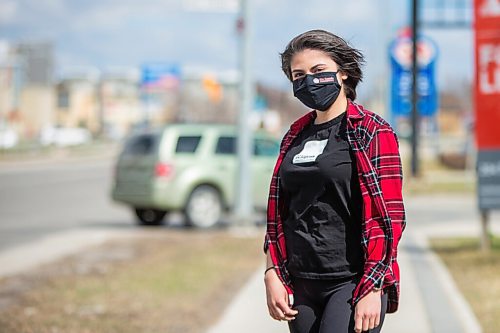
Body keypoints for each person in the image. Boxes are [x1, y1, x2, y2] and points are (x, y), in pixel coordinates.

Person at [263, 29, 406, 333]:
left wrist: (373, 285)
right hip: (302, 282)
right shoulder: (294, 135)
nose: (308, 81)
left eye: (319, 71)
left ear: (342, 73)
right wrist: (272, 270)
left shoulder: (372, 131)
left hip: (352, 281)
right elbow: (279, 213)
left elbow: (389, 218)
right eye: (298, 75)